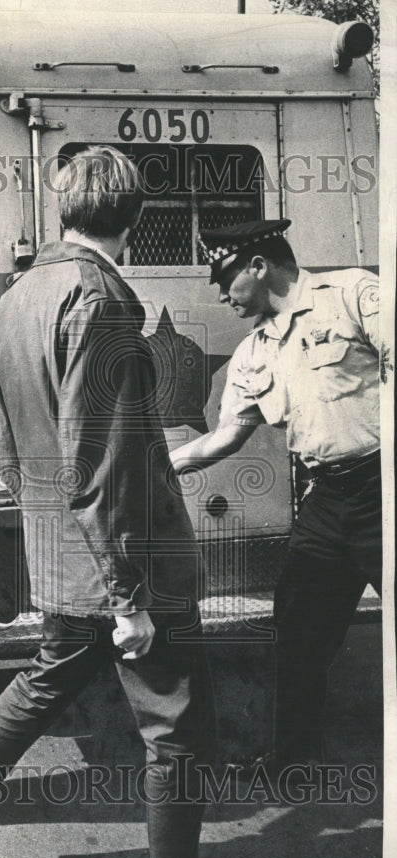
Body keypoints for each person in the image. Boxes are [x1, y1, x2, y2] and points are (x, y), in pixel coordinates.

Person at [0, 147, 272, 858]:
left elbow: (0, 432)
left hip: (62, 552)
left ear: (62, 205)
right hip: (127, 558)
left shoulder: (21, 293)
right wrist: (129, 596)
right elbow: (101, 460)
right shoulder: (101, 300)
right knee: (174, 728)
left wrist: (49, 533)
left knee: (42, 683)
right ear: (136, 216)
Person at [169, 219, 381, 772]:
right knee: (298, 635)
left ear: (257, 265)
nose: (220, 293)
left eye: (224, 278)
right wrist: (155, 469)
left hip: (387, 489)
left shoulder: (353, 294)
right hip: (328, 502)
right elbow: (223, 437)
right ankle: (295, 761)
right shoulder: (254, 352)